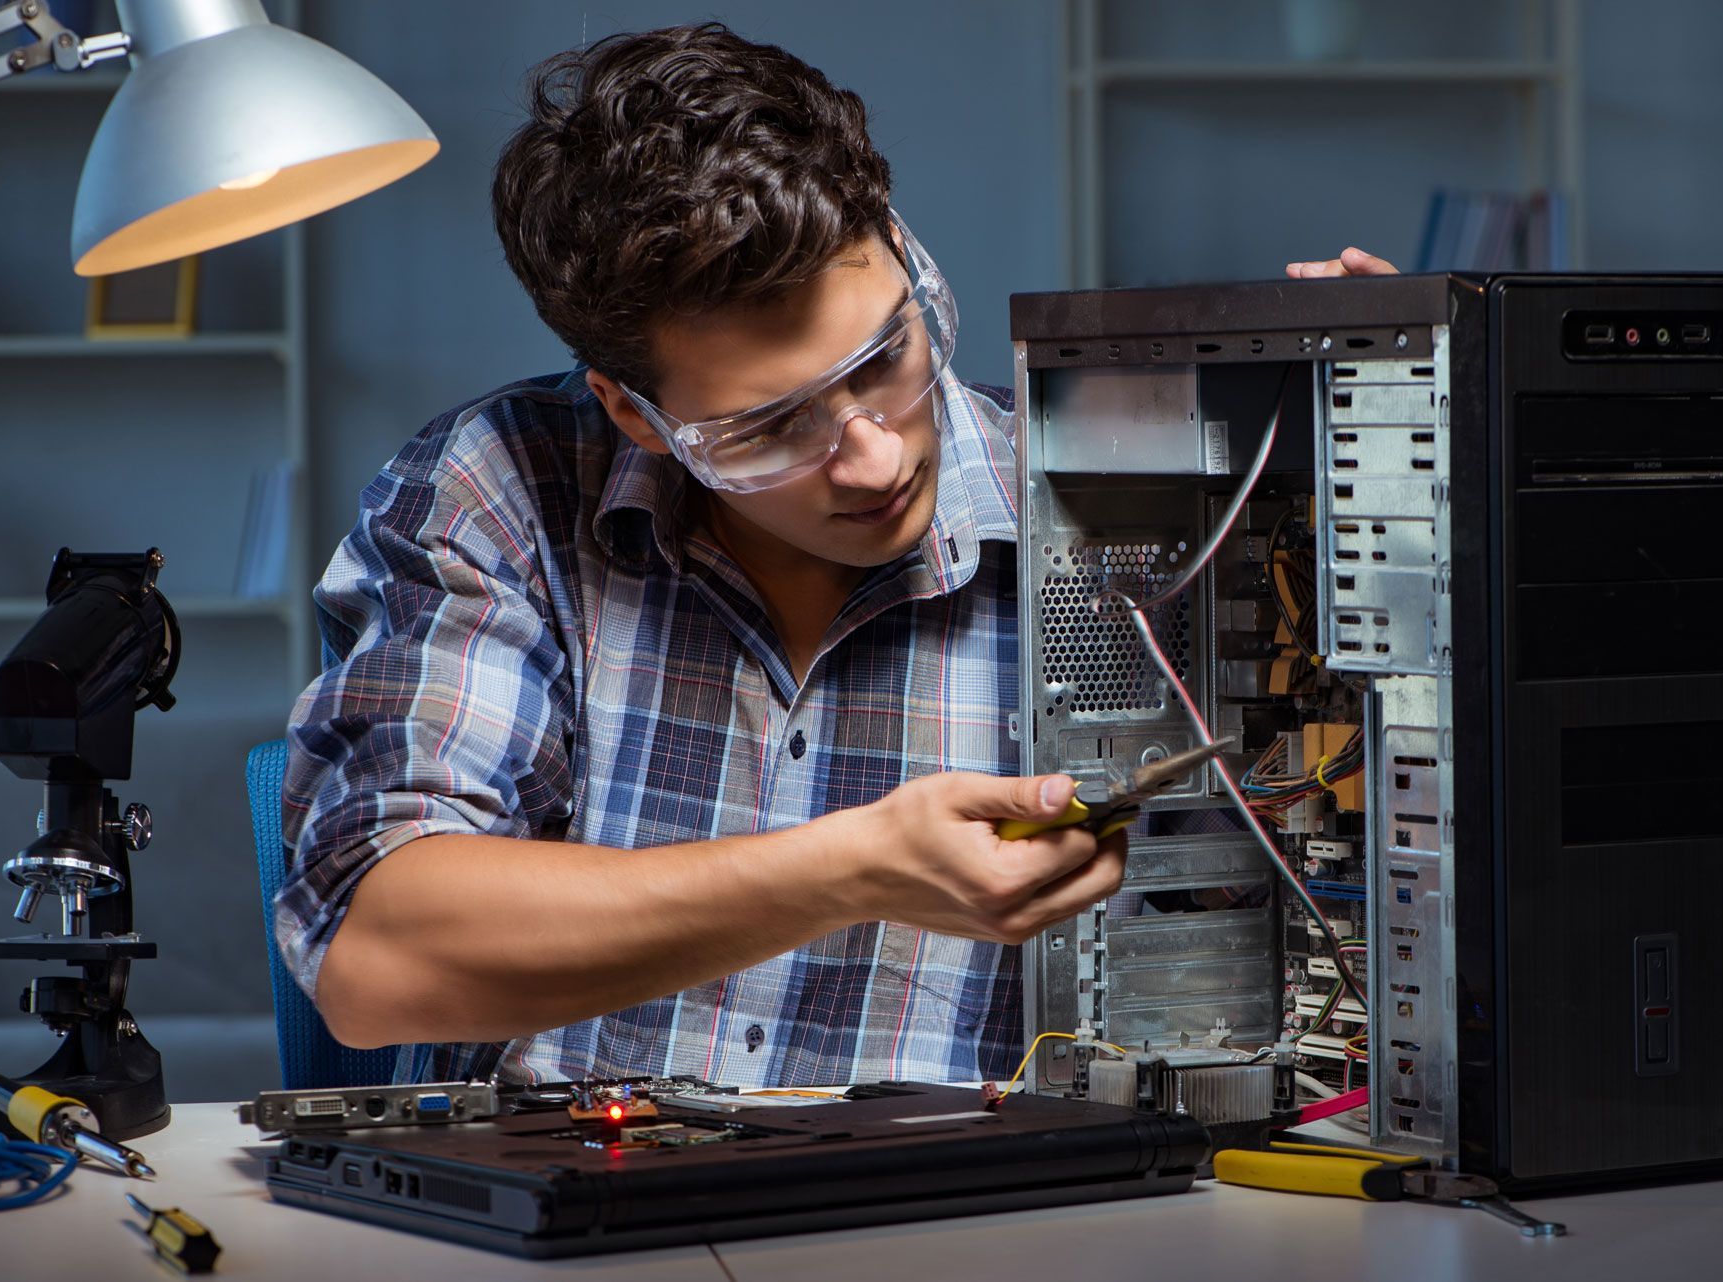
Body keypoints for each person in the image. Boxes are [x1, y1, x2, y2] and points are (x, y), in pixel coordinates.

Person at [275, 22, 1394, 1088]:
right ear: (634, 414)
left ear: (904, 255)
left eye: (884, 358)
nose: (868, 458)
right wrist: (851, 870)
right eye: (770, 428)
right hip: (589, 1216)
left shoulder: (1145, 521)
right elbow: (377, 962)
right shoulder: (502, 488)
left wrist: (1393, 490)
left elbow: (1348, 866)